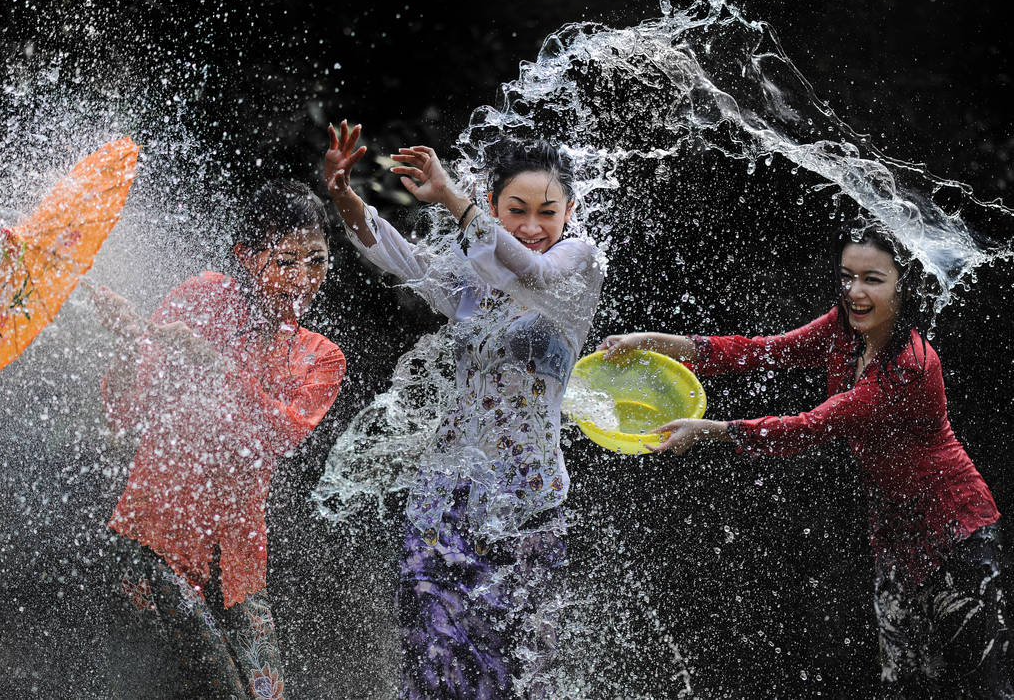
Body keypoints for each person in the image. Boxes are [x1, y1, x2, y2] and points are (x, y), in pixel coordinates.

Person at [599, 221, 1010, 699]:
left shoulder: (911, 367)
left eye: (872, 279)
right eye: (846, 276)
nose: (854, 292)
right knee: (904, 685)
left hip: (954, 531)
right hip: (895, 537)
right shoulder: (844, 328)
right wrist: (651, 340)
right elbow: (760, 353)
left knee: (983, 685)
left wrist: (712, 431)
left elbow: (810, 427)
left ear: (906, 283)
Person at [324, 121, 604, 698]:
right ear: (495, 208)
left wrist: (455, 200)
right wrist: (344, 195)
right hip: (444, 496)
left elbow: (536, 273)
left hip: (525, 502)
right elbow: (400, 257)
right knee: (431, 654)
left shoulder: (578, 267)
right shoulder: (474, 282)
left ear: (570, 211)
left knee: (514, 674)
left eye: (547, 212)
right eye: (515, 210)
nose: (531, 227)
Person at [93, 179, 346, 699]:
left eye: (316, 261)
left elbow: (280, 434)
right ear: (246, 257)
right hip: (156, 536)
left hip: (238, 558)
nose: (302, 280)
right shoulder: (202, 297)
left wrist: (214, 365)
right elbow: (129, 406)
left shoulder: (321, 357)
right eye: (285, 262)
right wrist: (125, 344)